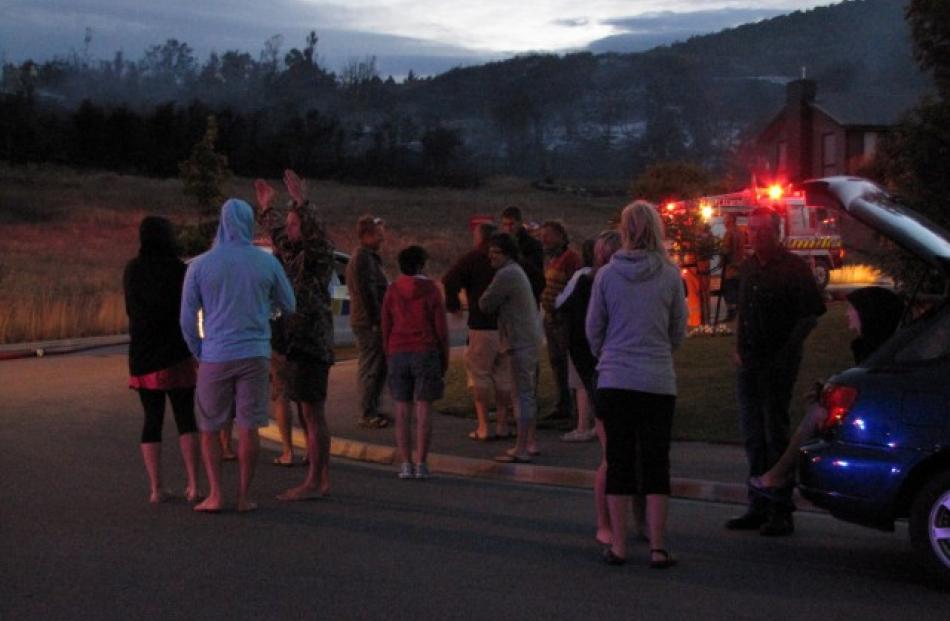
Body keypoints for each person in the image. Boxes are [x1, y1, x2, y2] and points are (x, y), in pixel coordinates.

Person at [586, 201, 687, 569]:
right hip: (658, 379)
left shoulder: (607, 277)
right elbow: (679, 329)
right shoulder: (670, 276)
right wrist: (659, 349)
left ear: (625, 230)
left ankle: (618, 545)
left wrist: (610, 355)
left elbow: (593, 329)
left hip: (616, 378)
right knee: (657, 463)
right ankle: (658, 547)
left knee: (619, 461)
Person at [180, 198, 295, 513]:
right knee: (248, 426)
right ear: (248, 223)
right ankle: (244, 495)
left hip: (215, 354)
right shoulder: (266, 262)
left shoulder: (201, 265)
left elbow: (187, 318)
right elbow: (289, 304)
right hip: (255, 352)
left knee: (210, 426)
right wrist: (266, 310)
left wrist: (199, 351)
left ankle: (215, 493)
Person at [725, 207, 826, 536]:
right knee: (753, 434)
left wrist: (788, 351)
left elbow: (811, 313)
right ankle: (757, 503)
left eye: (761, 230)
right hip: (750, 362)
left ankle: (780, 507)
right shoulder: (750, 267)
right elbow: (743, 310)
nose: (754, 235)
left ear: (777, 232)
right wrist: (738, 346)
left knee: (774, 433)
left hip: (777, 363)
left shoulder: (794, 268)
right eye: (751, 230)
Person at [749, 286, 904, 495]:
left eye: (852, 309)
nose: (847, 314)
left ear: (867, 314)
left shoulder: (879, 351)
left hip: (879, 418)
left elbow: (867, 388)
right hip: (870, 411)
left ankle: (781, 474)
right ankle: (783, 474)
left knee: (816, 414)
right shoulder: (869, 345)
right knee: (816, 408)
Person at [557, 230, 645, 546]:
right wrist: (594, 373)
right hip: (607, 378)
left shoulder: (609, 284)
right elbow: (583, 335)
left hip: (621, 376)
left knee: (631, 455)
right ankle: (605, 522)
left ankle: (636, 520)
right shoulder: (590, 285)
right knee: (614, 456)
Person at [256, 170, 334, 500]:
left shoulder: (317, 255)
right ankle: (316, 479)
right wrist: (266, 209)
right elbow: (278, 233)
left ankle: (317, 481)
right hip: (296, 341)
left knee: (313, 412)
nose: (289, 229)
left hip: (312, 341)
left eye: (294, 223)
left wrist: (302, 203)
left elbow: (313, 232)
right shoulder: (293, 252)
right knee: (305, 410)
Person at [123, 216, 201, 504]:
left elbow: (131, 309)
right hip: (176, 352)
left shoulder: (132, 270)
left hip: (143, 354)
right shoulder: (179, 270)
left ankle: (156, 487)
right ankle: (193, 484)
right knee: (185, 418)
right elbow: (189, 310)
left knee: (151, 419)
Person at [382, 245, 449, 479]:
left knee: (401, 408)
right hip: (425, 350)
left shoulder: (392, 290)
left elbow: (386, 324)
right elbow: (440, 327)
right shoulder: (431, 289)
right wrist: (444, 357)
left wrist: (387, 351)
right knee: (423, 408)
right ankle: (421, 462)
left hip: (398, 350)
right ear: (421, 265)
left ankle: (405, 463)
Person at [443, 222, 514, 441]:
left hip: (482, 326)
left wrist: (453, 304)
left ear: (481, 238)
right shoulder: (509, 262)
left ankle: (484, 426)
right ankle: (503, 424)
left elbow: (449, 279)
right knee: (503, 377)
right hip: (507, 326)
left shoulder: (473, 259)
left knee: (479, 375)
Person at [479, 232, 544, 463]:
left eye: (495, 253)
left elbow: (485, 303)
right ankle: (530, 442)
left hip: (519, 341)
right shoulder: (517, 271)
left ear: (506, 253)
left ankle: (521, 447)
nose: (491, 258)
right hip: (529, 338)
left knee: (521, 394)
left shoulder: (506, 274)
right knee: (527, 393)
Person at [346, 214, 390, 429]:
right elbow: (367, 291)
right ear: (367, 235)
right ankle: (366, 412)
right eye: (379, 234)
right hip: (368, 322)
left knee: (378, 367)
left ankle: (372, 408)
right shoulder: (363, 258)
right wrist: (376, 320)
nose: (383, 239)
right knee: (371, 367)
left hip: (369, 320)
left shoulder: (369, 257)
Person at [539, 221, 582, 425]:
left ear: (561, 236)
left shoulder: (570, 259)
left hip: (564, 319)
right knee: (556, 362)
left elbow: (575, 289)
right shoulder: (552, 260)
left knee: (568, 362)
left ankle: (575, 408)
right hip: (551, 318)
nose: (543, 239)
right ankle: (562, 404)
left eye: (548, 235)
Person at [555, 237, 596, 442]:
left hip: (580, 335)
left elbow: (561, 301)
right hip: (600, 336)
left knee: (581, 383)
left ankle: (582, 425)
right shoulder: (607, 275)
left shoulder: (581, 276)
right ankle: (599, 424)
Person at [499, 206, 544, 304]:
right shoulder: (502, 244)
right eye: (505, 225)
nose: (508, 228)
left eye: (511, 224)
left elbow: (535, 273)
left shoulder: (533, 245)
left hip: (528, 297)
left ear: (519, 223)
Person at [719, 214, 746, 320]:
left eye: (725, 220)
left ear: (730, 221)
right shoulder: (741, 232)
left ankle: (731, 314)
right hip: (740, 267)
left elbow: (726, 250)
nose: (724, 223)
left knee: (729, 291)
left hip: (730, 269)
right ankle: (739, 313)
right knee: (738, 290)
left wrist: (721, 261)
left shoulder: (729, 233)